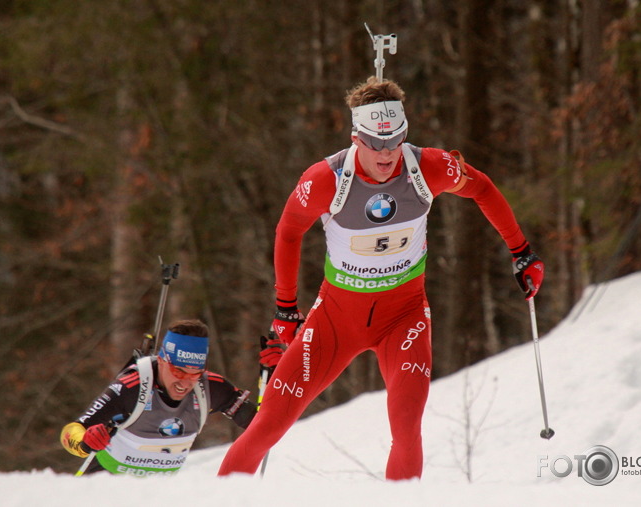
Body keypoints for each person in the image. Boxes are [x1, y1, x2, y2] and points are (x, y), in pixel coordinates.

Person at [218, 77, 544, 480]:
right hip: (336, 320)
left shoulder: (429, 166)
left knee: (407, 431)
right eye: (375, 142)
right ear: (357, 138)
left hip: (403, 318)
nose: (387, 153)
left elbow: (482, 188)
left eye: (396, 140)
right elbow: (288, 230)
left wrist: (522, 251)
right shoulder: (327, 179)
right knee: (267, 426)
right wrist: (286, 307)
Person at [61, 319, 256, 476]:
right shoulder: (132, 388)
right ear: (162, 361)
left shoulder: (212, 388)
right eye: (178, 372)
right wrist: (86, 442)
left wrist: (277, 376)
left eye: (194, 374)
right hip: (105, 484)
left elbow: (263, 422)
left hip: (156, 493)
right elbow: (70, 433)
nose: (185, 383)